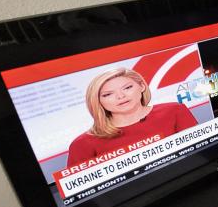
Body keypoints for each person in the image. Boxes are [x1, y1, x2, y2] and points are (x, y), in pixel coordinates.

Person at [67, 68, 198, 167]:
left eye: (127, 87)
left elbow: (201, 156)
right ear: (97, 101)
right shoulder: (82, 144)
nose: (120, 96)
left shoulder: (174, 111)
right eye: (107, 94)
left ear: (141, 86)